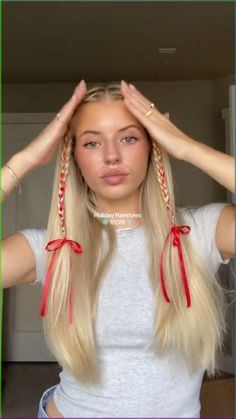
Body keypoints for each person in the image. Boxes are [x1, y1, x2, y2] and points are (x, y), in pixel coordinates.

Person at [2, 80, 234, 418]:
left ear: (152, 146)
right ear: (73, 158)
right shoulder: (50, 248)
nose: (111, 156)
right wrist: (22, 161)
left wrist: (186, 147)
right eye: (92, 142)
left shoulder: (200, 232)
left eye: (129, 138)